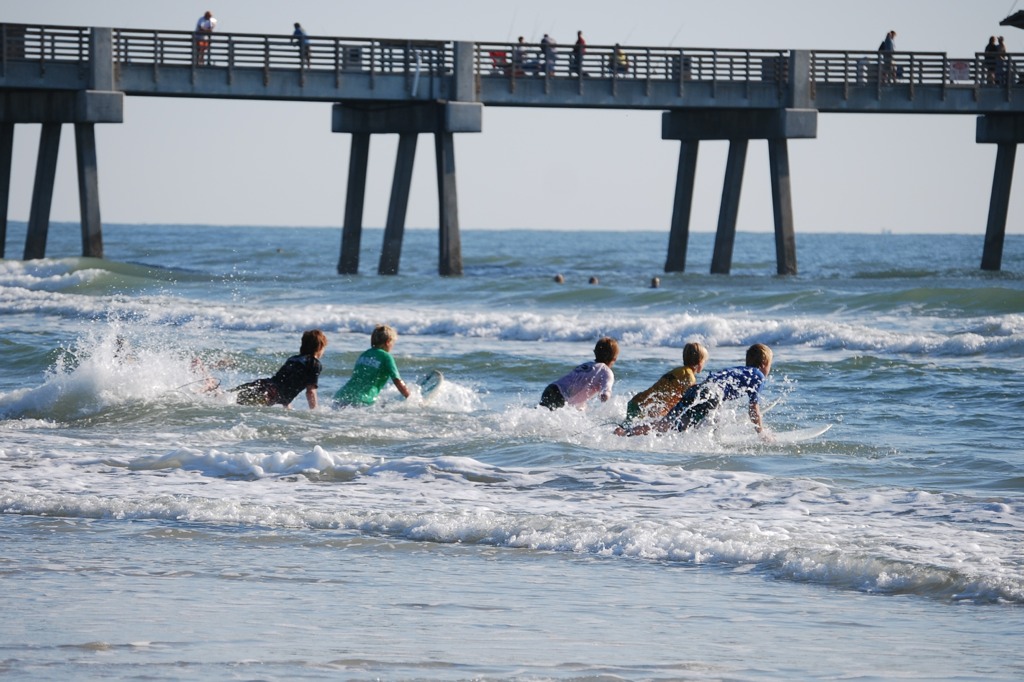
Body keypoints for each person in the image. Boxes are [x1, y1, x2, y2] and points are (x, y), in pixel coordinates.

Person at [621, 343, 773, 438]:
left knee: (665, 424)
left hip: (699, 389)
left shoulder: (740, 370)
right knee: (677, 427)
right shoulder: (758, 375)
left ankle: (627, 432)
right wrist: (761, 432)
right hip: (711, 394)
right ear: (764, 363)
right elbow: (753, 408)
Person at [614, 342, 708, 435]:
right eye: (704, 361)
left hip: (636, 402)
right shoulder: (689, 377)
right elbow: (688, 401)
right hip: (644, 408)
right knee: (641, 430)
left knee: (625, 429)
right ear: (700, 362)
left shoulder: (678, 371)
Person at [232, 329, 327, 409]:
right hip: (270, 393)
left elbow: (283, 382)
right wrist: (314, 413)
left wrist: (287, 407)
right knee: (238, 406)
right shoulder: (314, 364)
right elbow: (310, 391)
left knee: (231, 399)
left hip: (265, 384)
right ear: (320, 347)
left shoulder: (293, 359)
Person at [333, 325, 411, 406]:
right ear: (388, 342)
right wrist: (410, 398)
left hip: (341, 396)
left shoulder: (364, 355)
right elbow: (397, 380)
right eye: (393, 343)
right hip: (361, 401)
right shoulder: (386, 357)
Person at [539, 337, 618, 410]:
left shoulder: (586, 365)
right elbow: (606, 389)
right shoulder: (607, 372)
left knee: (540, 415)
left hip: (551, 388)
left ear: (595, 352)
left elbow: (579, 387)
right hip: (560, 397)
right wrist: (605, 396)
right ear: (614, 358)